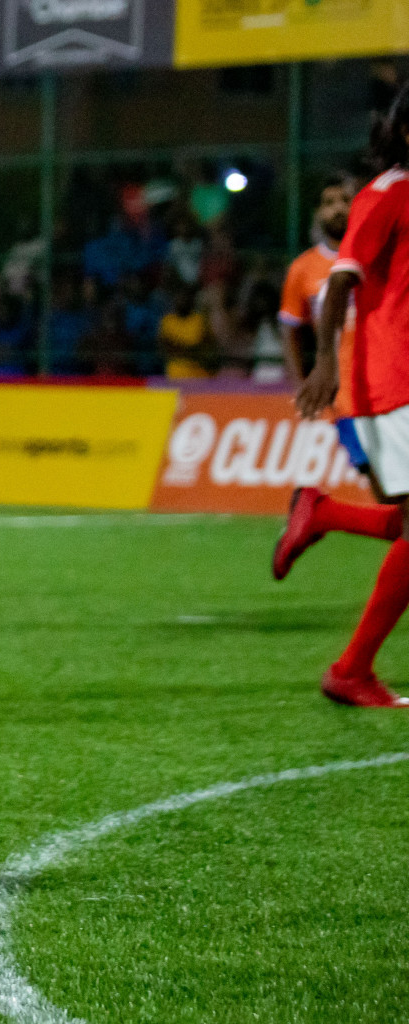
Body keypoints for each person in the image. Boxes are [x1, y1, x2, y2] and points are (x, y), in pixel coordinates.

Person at [279, 84, 409, 707]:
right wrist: (325, 360)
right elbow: (339, 285)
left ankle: (323, 513)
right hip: (393, 382)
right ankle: (352, 668)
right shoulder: (385, 195)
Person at [278, 173, 356, 382]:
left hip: (383, 386)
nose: (339, 209)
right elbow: (289, 332)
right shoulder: (301, 268)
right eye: (329, 203)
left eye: (345, 201)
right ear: (318, 212)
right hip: (334, 390)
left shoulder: (376, 258)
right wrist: (299, 387)